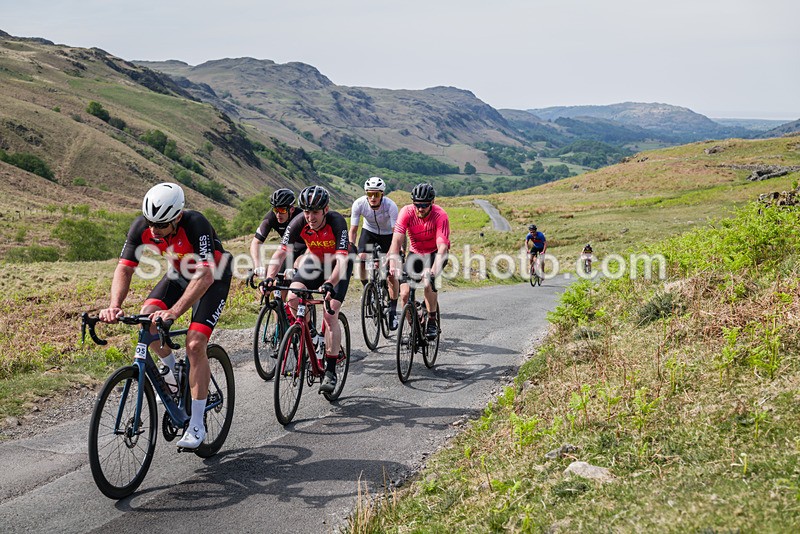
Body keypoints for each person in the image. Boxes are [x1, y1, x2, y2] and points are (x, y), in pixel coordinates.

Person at [98, 183, 232, 450]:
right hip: (178, 274)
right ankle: (171, 370)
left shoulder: (196, 223)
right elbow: (124, 269)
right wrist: (114, 305)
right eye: (151, 223)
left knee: (195, 345)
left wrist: (173, 312)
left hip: (213, 277)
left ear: (178, 217)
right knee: (147, 319)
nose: (154, 231)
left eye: (161, 225)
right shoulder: (142, 227)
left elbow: (205, 275)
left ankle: (196, 423)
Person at [263, 185, 351, 393]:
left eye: (315, 212)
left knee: (330, 316)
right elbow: (280, 253)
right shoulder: (298, 222)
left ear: (325, 210)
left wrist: (330, 282)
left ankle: (330, 371)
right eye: (306, 211)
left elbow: (342, 261)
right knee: (292, 298)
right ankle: (312, 335)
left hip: (338, 266)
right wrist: (269, 277)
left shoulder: (337, 222)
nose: (310, 216)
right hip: (314, 262)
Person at [388, 182, 450, 339]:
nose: (420, 208)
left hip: (435, 254)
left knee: (428, 282)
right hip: (415, 254)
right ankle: (413, 328)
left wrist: (433, 271)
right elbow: (396, 240)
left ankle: (431, 320)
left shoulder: (440, 215)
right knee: (404, 294)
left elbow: (442, 248)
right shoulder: (407, 212)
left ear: (432, 203)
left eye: (424, 205)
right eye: (417, 204)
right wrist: (393, 261)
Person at [348, 176, 400, 328]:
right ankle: (368, 289)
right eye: (369, 194)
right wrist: (352, 248)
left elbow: (396, 232)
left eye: (376, 194)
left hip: (388, 235)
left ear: (382, 195)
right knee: (362, 260)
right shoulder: (359, 204)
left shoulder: (391, 206)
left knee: (391, 273)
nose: (372, 198)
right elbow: (353, 230)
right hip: (369, 232)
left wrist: (396, 251)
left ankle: (392, 312)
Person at [250, 188, 305, 279]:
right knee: (276, 281)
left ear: (291, 209)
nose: (278, 214)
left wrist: (296, 268)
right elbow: (256, 242)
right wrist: (258, 265)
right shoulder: (271, 217)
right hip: (288, 250)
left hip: (306, 249)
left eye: (282, 210)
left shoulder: (302, 216)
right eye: (275, 210)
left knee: (295, 274)